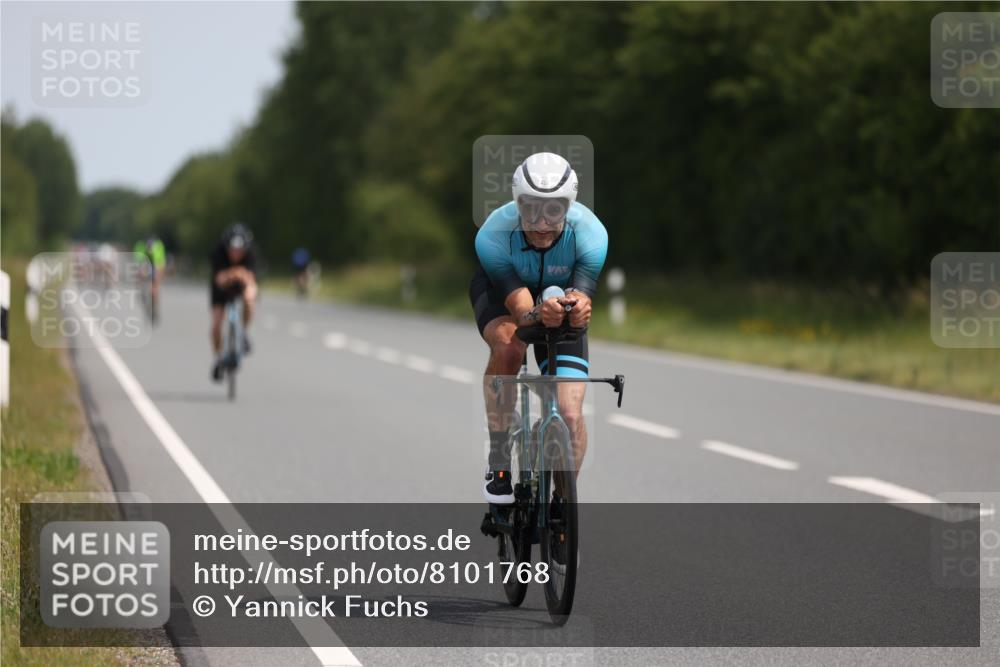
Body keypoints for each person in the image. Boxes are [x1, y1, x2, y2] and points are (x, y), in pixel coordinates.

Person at [471, 152, 608, 504]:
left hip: (555, 297)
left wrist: (578, 309)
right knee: (509, 346)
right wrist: (538, 312)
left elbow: (581, 298)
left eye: (554, 209)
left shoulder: (591, 233)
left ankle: (564, 502)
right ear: (517, 204)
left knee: (571, 412)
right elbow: (521, 313)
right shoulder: (493, 234)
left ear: (570, 206)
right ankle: (499, 456)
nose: (542, 222)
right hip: (505, 296)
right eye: (531, 208)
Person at [210, 224, 258, 382]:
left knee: (250, 298)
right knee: (217, 323)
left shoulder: (251, 254)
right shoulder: (218, 253)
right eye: (232, 250)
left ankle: (244, 331)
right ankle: (218, 357)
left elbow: (250, 279)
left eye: (239, 251)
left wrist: (236, 275)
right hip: (221, 289)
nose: (235, 254)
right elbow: (219, 279)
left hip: (241, 285)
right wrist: (236, 273)